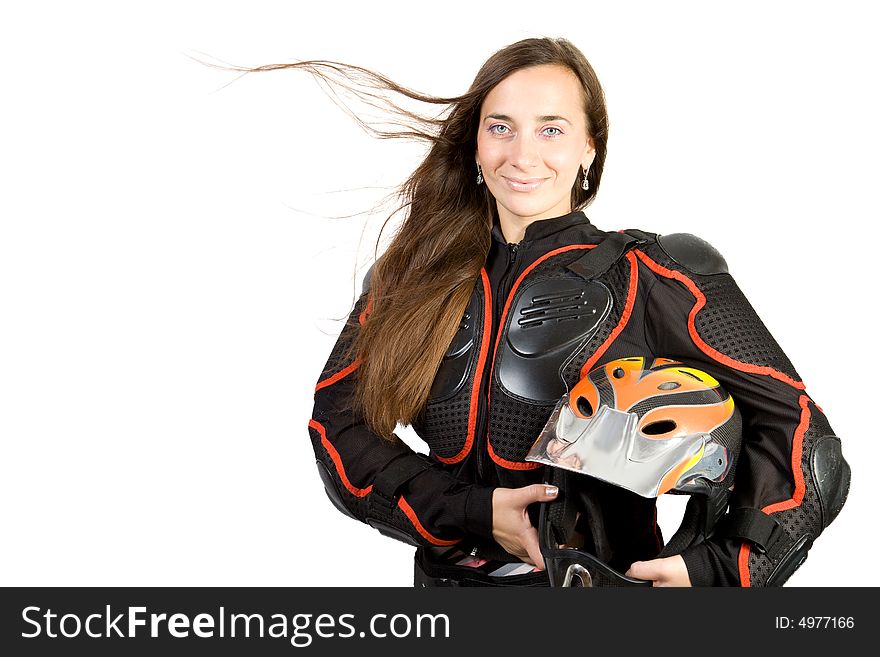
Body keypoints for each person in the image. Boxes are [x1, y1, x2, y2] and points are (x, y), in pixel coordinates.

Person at [303, 37, 849, 586]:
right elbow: (337, 423)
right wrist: (471, 510)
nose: (522, 154)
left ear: (589, 147)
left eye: (551, 129)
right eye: (500, 127)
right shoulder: (412, 279)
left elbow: (801, 436)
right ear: (473, 144)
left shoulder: (651, 274)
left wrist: (723, 568)